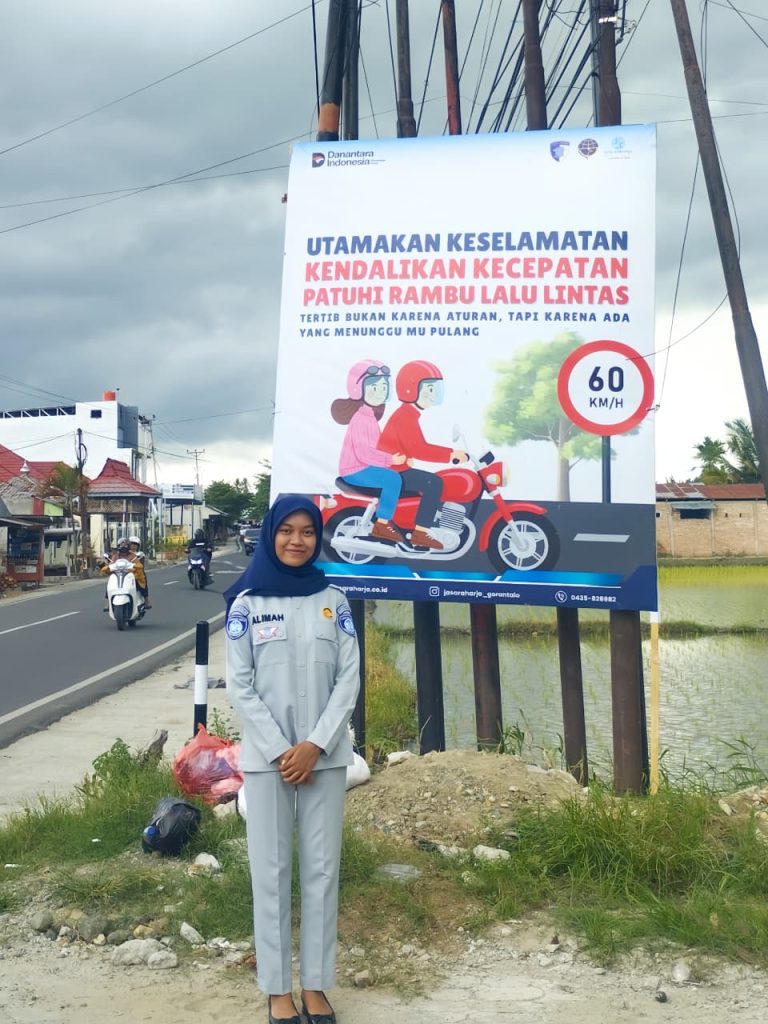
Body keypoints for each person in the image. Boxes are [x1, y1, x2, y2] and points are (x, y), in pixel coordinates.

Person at [224, 494, 360, 1024]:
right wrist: (285, 751)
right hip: (267, 761)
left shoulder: (335, 601)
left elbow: (348, 679)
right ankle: (278, 990)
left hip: (323, 759)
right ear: (271, 535)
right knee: (272, 872)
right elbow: (240, 685)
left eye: (307, 531)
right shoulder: (248, 604)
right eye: (287, 530)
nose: (297, 541)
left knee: (323, 871)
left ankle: (317, 987)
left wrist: (315, 745)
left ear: (318, 537)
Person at [378, 359, 469, 550]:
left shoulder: (409, 414)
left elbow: (408, 447)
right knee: (434, 483)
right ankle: (420, 532)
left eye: (435, 388)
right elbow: (419, 449)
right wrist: (452, 454)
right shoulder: (405, 416)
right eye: (429, 388)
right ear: (411, 389)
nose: (434, 394)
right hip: (391, 470)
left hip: (397, 467)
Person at [331, 359, 407, 543]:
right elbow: (364, 453)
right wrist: (391, 460)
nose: (380, 391)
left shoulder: (370, 416)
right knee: (393, 479)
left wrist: (398, 457)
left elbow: (376, 448)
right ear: (359, 389)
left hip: (362, 467)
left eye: (383, 387)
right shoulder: (361, 418)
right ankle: (382, 524)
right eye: (374, 387)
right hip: (355, 469)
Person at [100, 537, 148, 611]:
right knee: (110, 583)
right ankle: (108, 603)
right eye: (122, 548)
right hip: (118, 574)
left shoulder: (133, 556)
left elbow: (139, 565)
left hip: (130, 575)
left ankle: (146, 600)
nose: (123, 551)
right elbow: (111, 564)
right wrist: (107, 567)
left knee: (141, 580)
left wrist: (134, 567)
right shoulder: (116, 555)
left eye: (125, 548)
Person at [128, 535, 151, 608]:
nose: (133, 546)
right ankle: (108, 602)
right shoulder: (124, 554)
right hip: (125, 573)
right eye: (132, 544)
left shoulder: (140, 554)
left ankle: (146, 600)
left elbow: (141, 565)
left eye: (135, 545)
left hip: (137, 573)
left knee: (143, 579)